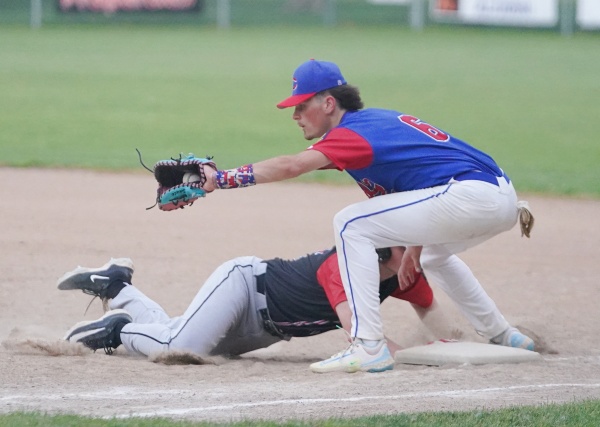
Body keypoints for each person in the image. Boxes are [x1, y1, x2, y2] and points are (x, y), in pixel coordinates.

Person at [197, 59, 535, 373]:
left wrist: (220, 179)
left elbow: (292, 165)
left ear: (328, 103)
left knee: (349, 224)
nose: (295, 114)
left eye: (302, 105)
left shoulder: (352, 134)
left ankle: (369, 345)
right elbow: (417, 188)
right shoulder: (372, 125)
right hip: (501, 199)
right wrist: (413, 249)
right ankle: (504, 335)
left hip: (468, 195)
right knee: (432, 255)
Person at [59, 246, 532, 373]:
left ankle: (118, 285)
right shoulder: (346, 267)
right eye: (406, 247)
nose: (415, 255)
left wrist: (447, 347)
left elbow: (438, 326)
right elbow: (362, 335)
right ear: (386, 251)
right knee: (183, 348)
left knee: (185, 339)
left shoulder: (402, 273)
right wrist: (404, 354)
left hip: (267, 330)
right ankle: (120, 329)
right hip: (245, 286)